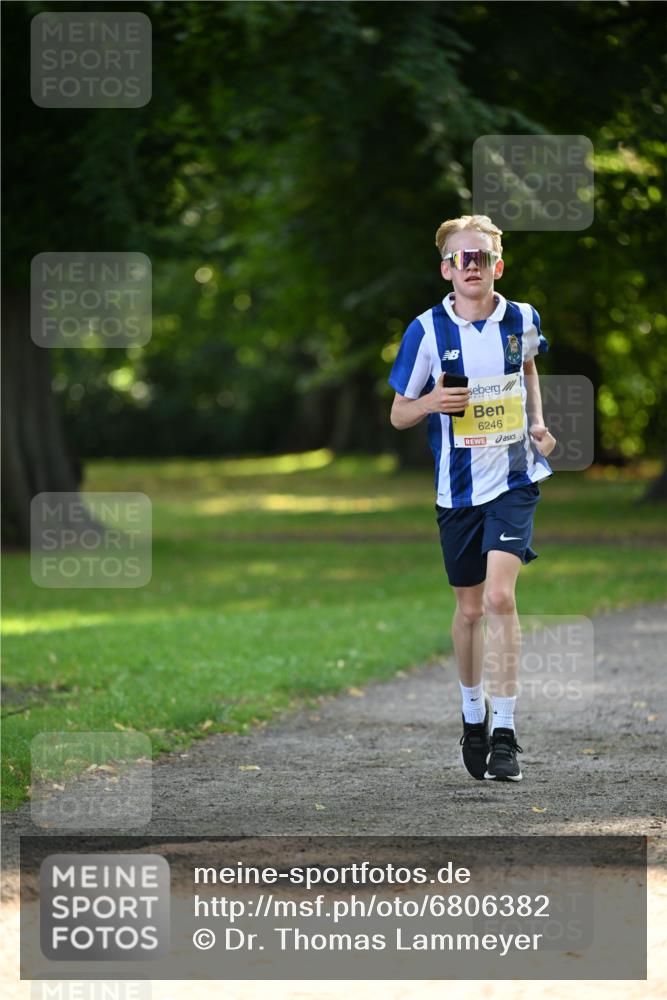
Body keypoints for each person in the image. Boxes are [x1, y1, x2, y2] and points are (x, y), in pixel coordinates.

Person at [388, 214, 556, 782]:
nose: (472, 266)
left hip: (514, 479)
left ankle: (505, 732)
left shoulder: (523, 318)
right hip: (456, 491)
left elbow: (528, 368)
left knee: (501, 599)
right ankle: (472, 717)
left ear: (497, 265)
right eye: (462, 258)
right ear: (446, 269)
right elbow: (398, 413)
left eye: (481, 257)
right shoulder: (427, 331)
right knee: (468, 608)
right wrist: (432, 403)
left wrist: (537, 423)